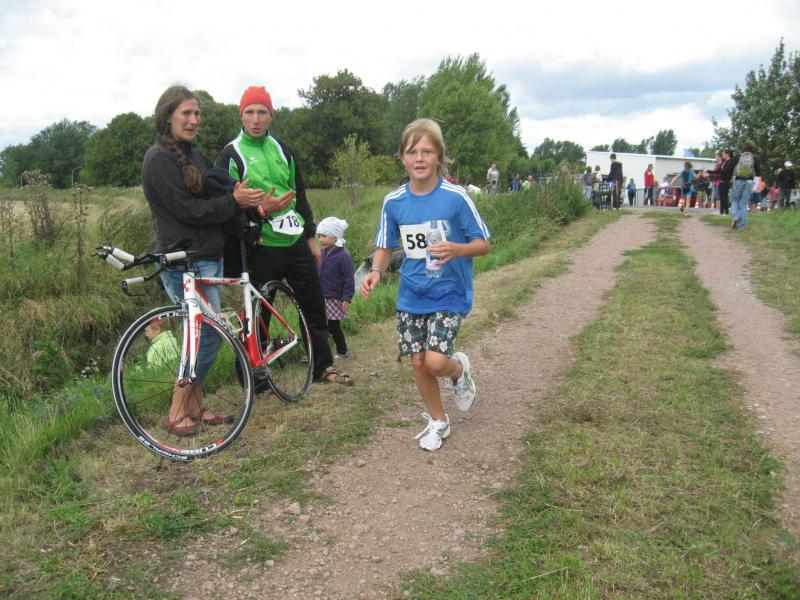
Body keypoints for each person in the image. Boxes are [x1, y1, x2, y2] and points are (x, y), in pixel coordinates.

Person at [142, 85, 268, 436]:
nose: (194, 120)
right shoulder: (158, 159)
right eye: (186, 113)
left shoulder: (195, 157)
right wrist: (233, 202)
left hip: (207, 257)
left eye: (197, 114)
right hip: (182, 261)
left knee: (206, 334)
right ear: (167, 117)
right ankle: (177, 409)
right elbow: (188, 210)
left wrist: (244, 200)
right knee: (206, 335)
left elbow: (217, 195)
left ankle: (195, 405)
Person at [360, 118, 491, 452]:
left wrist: (456, 249)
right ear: (402, 158)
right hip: (411, 294)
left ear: (439, 157)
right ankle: (439, 421)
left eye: (427, 151)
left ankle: (457, 369)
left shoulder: (456, 197)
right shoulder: (394, 202)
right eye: (412, 151)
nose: (419, 158)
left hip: (449, 292)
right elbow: (385, 247)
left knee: (435, 362)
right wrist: (376, 271)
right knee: (418, 362)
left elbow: (483, 244)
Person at [217, 85, 353, 386]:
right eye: (249, 112)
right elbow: (226, 205)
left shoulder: (282, 150)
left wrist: (311, 238)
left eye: (262, 112)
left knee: (313, 304)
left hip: (294, 242)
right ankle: (254, 376)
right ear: (240, 115)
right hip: (260, 245)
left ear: (271, 115)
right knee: (257, 314)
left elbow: (299, 194)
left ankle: (322, 367)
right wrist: (260, 210)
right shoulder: (230, 154)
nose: (256, 119)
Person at [316, 216, 355, 361]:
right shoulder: (322, 253)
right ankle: (318, 351)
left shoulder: (343, 256)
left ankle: (342, 351)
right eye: (319, 236)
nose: (320, 239)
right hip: (321, 296)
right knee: (320, 325)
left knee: (333, 327)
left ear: (335, 236)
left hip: (334, 298)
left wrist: (347, 298)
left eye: (324, 236)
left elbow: (349, 279)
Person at [730, 140, 761, 230]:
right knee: (744, 204)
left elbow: (730, 168)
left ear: (743, 147)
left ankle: (736, 216)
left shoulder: (738, 157)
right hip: (749, 181)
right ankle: (741, 226)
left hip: (738, 181)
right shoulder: (754, 158)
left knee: (735, 201)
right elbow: (758, 172)